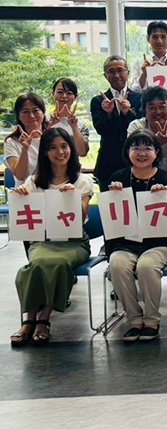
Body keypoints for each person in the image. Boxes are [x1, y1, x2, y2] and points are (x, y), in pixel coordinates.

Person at [10, 129, 93, 347]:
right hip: (43, 241)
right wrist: (20, 195)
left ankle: (43, 319)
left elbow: (81, 217)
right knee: (37, 262)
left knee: (57, 263)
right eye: (53, 147)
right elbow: (26, 210)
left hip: (73, 243)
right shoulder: (34, 181)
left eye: (64, 146)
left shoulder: (82, 180)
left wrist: (72, 198)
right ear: (45, 153)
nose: (60, 152)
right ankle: (30, 319)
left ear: (71, 149)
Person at [107, 130, 167, 342]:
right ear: (128, 152)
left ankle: (151, 320)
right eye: (136, 148)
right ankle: (134, 319)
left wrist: (164, 199)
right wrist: (113, 195)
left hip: (160, 243)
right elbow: (111, 219)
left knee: (147, 266)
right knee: (117, 265)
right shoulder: (118, 179)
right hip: (126, 242)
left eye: (147, 148)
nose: (142, 153)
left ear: (156, 152)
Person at [90, 55, 143, 191]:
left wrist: (128, 113)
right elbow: (100, 129)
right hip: (108, 163)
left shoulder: (140, 98)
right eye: (111, 71)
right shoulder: (97, 101)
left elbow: (142, 130)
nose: (116, 75)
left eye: (120, 70)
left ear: (128, 73)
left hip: (136, 162)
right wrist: (108, 114)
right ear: (105, 76)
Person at [127, 86, 167, 176]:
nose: (158, 112)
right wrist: (155, 143)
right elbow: (131, 159)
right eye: (152, 108)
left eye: (162, 107)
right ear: (145, 111)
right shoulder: (136, 127)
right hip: (140, 178)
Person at [4, 93, 47, 182]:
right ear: (19, 116)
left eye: (35, 110)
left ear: (43, 113)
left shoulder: (54, 137)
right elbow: (21, 176)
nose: (31, 116)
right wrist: (25, 148)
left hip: (52, 189)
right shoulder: (11, 142)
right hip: (24, 189)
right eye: (25, 112)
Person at [130, 21, 167, 92]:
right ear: (148, 39)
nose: (159, 41)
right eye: (155, 37)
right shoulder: (139, 63)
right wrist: (144, 74)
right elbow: (134, 90)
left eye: (163, 37)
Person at [47, 78, 90, 157]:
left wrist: (74, 127)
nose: (64, 96)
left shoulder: (80, 125)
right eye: (60, 92)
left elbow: (82, 152)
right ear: (53, 94)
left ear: (75, 97)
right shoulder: (44, 120)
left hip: (73, 164)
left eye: (69, 93)